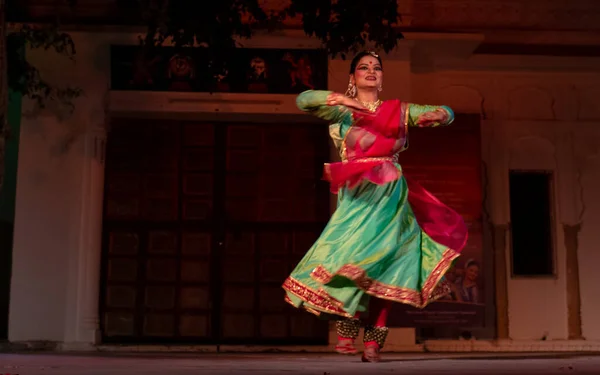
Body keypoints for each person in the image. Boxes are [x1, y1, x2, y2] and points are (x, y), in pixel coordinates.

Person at [282, 51, 468, 362]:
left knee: (390, 264)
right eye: (364, 68)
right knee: (347, 256)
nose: (371, 71)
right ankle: (346, 328)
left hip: (392, 196)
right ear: (353, 77)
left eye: (377, 68)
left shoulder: (399, 111)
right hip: (357, 197)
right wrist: (339, 99)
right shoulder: (342, 113)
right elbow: (303, 100)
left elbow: (446, 112)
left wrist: (440, 115)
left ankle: (373, 342)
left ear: (381, 77)